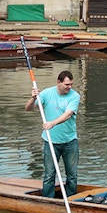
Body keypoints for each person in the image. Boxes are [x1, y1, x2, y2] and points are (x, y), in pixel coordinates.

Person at [26, 70, 80, 198]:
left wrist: (52, 123)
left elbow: (68, 114)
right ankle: (48, 199)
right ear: (59, 82)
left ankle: (71, 198)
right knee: (49, 174)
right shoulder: (46, 93)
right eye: (67, 84)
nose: (69, 87)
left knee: (72, 174)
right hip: (50, 142)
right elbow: (28, 108)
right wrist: (33, 98)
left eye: (71, 84)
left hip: (70, 141)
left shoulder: (75, 96)